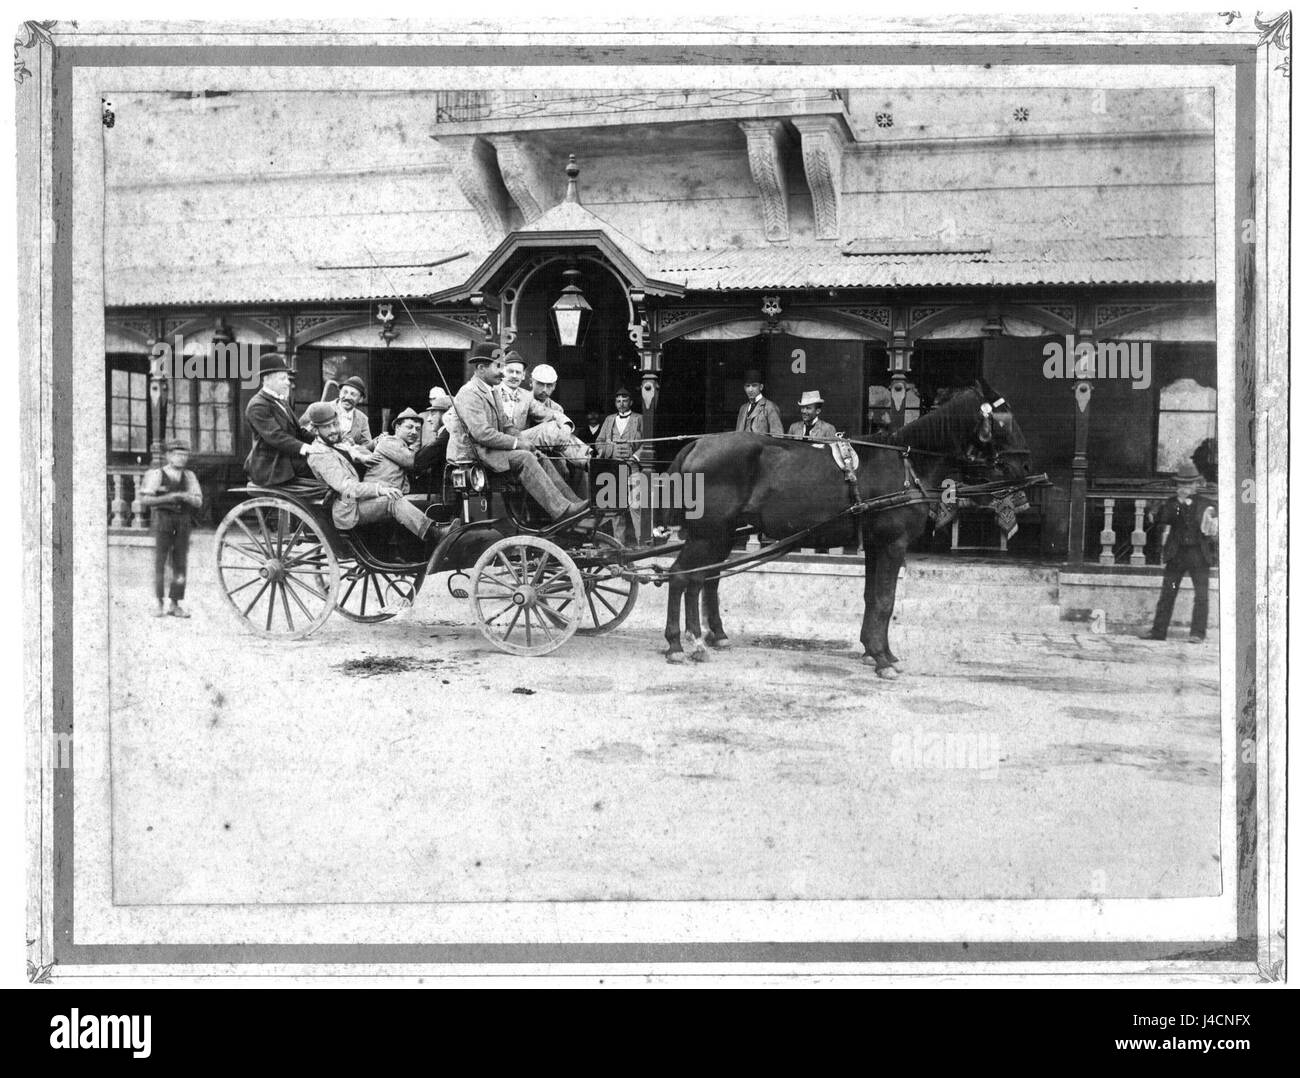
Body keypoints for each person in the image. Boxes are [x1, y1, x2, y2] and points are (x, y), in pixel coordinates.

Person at [444, 349, 587, 523]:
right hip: (475, 456)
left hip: (490, 450)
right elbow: (482, 433)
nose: (503, 372)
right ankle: (562, 511)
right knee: (525, 457)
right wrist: (518, 444)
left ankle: (574, 504)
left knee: (537, 455)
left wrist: (526, 443)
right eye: (499, 367)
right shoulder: (469, 393)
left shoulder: (492, 391)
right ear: (481, 368)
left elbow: (506, 425)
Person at [302, 401, 432, 540]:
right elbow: (346, 488)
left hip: (356, 499)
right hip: (347, 506)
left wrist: (367, 451)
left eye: (335, 424)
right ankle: (433, 532)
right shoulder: (320, 454)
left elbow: (359, 451)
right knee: (393, 500)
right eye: (327, 427)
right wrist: (379, 489)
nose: (334, 430)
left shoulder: (337, 444)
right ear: (316, 431)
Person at [1141, 460, 1218, 643]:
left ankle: (1197, 634)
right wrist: (1179, 503)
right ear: (1178, 485)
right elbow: (1162, 519)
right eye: (1182, 483)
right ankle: (1158, 632)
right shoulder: (1171, 503)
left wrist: (1212, 520)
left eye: (1189, 483)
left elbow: (1212, 523)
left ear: (1196, 484)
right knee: (1168, 593)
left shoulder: (1207, 503)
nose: (1186, 487)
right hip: (1176, 553)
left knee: (1201, 596)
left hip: (1199, 554)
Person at [243, 353, 330, 491]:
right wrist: (307, 449)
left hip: (286, 457)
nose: (288, 382)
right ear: (267, 380)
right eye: (282, 379)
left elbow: (298, 431)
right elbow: (276, 437)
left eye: (287, 378)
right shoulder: (257, 405)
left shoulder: (282, 400)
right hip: (272, 465)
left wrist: (324, 441)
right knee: (323, 464)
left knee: (330, 458)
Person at [138, 438, 203, 618]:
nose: (182, 458)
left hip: (183, 522)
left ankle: (175, 603)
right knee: (160, 562)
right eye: (177, 454)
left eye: (184, 455)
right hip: (163, 521)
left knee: (180, 564)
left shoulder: (189, 476)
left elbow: (198, 501)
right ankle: (159, 603)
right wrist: (169, 497)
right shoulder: (157, 474)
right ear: (168, 456)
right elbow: (145, 500)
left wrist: (187, 497)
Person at [595, 389, 644, 545]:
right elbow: (599, 442)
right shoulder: (609, 420)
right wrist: (608, 450)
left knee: (636, 506)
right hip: (614, 470)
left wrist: (635, 457)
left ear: (631, 402)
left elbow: (649, 443)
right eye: (618, 401)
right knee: (616, 509)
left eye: (624, 400)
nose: (621, 404)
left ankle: (642, 544)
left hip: (633, 469)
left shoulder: (640, 419)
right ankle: (619, 546)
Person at [302, 371, 371, 446]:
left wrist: (355, 447)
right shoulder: (317, 408)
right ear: (339, 393)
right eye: (345, 392)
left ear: (360, 399)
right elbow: (301, 432)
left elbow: (367, 444)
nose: (347, 397)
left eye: (353, 394)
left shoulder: (363, 419)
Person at [365, 407, 423, 493]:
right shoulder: (388, 442)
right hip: (375, 495)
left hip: (390, 494)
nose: (414, 432)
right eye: (409, 427)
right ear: (397, 427)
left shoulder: (403, 446)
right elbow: (411, 461)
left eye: (418, 429)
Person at [736, 369, 783, 434]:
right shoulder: (743, 408)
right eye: (748, 386)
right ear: (744, 388)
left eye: (754, 385)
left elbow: (778, 436)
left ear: (761, 387)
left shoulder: (770, 407)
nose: (750, 389)